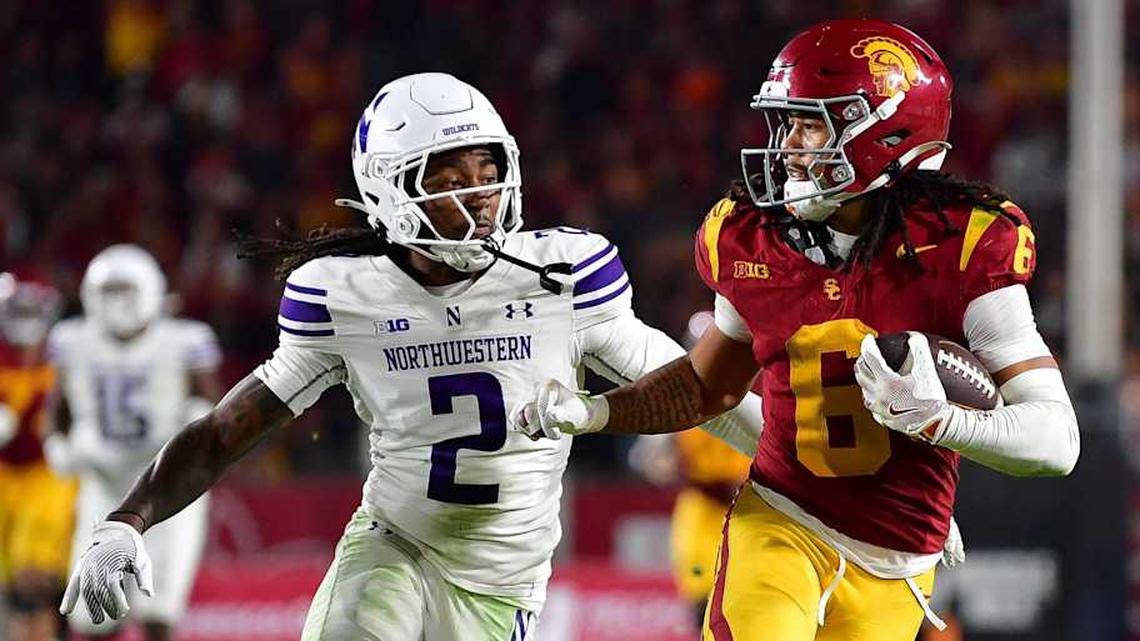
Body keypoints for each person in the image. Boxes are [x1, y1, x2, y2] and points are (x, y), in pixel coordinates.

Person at [59, 72, 763, 641]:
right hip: (393, 541)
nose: (481, 195)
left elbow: (702, 388)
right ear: (390, 189)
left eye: (487, 169)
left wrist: (807, 466)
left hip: (502, 578)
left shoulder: (562, 275)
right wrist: (129, 518)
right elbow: (225, 431)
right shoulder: (346, 295)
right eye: (451, 177)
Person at [513, 19, 1079, 641]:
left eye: (811, 124)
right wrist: (598, 414)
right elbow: (710, 389)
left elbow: (1056, 443)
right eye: (786, 125)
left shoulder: (963, 244)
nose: (788, 148)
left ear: (885, 131)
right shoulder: (750, 237)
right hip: (782, 518)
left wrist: (943, 424)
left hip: (898, 558)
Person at [46, 245, 223, 641]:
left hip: (168, 486)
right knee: (95, 614)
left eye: (126, 292)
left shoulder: (183, 340)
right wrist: (57, 441)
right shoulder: (73, 340)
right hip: (105, 485)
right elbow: (57, 407)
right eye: (108, 293)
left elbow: (213, 405)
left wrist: (198, 417)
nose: (117, 305)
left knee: (157, 612)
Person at [627, 311, 753, 628]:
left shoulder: (757, 389)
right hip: (704, 508)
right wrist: (666, 464)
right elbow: (647, 458)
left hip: (754, 508)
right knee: (702, 604)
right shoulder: (677, 398)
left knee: (753, 601)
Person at [0, 271, 77, 641]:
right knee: (13, 583)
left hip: (47, 477)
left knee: (37, 578)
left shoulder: (62, 359)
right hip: (4, 477)